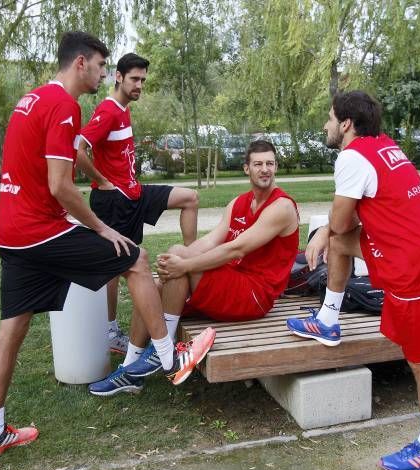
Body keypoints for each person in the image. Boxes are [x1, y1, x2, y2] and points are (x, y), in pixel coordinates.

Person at [0, 32, 214, 462]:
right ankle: (169, 357)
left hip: (10, 234)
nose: (106, 74)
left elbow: (33, 175)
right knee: (137, 259)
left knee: (12, 328)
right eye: (103, 67)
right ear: (81, 63)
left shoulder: (28, 100)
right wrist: (102, 229)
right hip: (39, 232)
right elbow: (61, 186)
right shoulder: (65, 105)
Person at [286, 91, 420, 470]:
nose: (326, 126)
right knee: (335, 240)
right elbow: (347, 227)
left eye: (330, 119)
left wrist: (324, 230)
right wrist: (327, 231)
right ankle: (328, 319)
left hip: (418, 266)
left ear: (346, 124)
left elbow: (343, 222)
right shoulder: (382, 145)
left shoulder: (351, 156)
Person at [89, 139, 299, 395]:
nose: (265, 169)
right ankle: (131, 368)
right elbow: (211, 241)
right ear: (247, 169)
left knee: (180, 263)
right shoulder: (238, 203)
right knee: (153, 287)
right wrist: (174, 260)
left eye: (269, 163)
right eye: (258, 164)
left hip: (256, 294)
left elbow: (236, 249)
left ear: (276, 166)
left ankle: (160, 352)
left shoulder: (282, 207)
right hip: (233, 282)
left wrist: (185, 263)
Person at [77, 52, 199, 357]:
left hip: (135, 193)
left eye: (143, 80)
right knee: (118, 267)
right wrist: (102, 180)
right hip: (113, 200)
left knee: (190, 198)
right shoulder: (108, 110)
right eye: (134, 79)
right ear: (118, 77)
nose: (139, 85)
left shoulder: (124, 109)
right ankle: (110, 331)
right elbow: (78, 149)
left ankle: (193, 264)